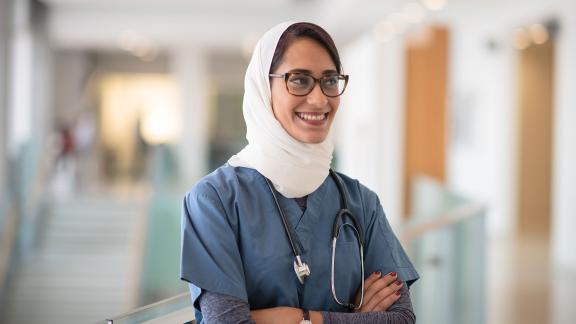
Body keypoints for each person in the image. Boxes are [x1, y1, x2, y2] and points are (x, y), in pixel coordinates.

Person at [180, 22, 419, 324]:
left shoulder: (361, 202)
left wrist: (303, 318)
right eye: (300, 80)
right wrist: (354, 319)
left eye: (330, 80)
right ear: (263, 88)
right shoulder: (214, 200)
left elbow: (401, 319)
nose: (320, 99)